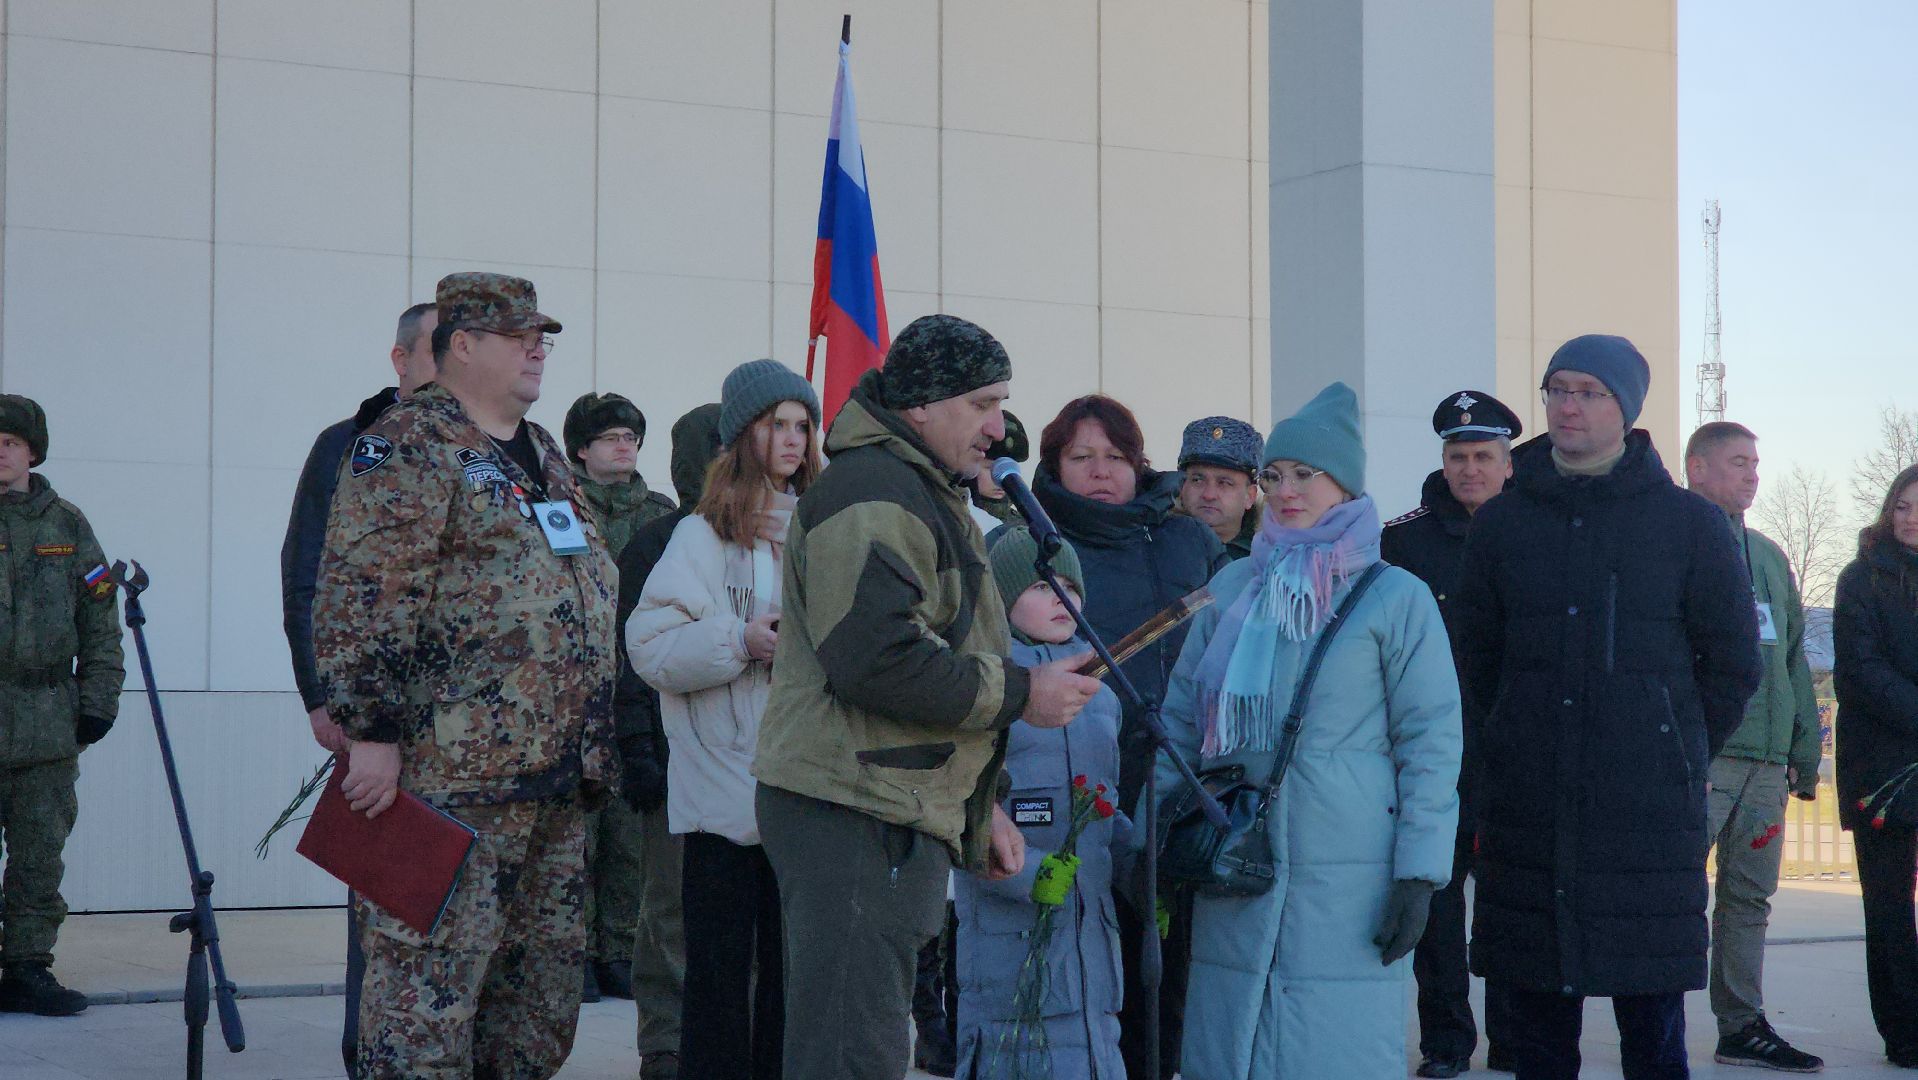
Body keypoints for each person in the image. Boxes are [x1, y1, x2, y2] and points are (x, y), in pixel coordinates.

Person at [753, 313, 1104, 1080]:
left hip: (889, 803)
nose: (998, 425)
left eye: (1002, 402)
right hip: (852, 807)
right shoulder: (875, 493)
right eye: (982, 403)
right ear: (920, 405)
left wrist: (982, 811)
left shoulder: (920, 488)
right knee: (850, 1051)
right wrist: (1023, 693)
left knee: (861, 1039)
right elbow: (876, 661)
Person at [314, 273, 620, 1078]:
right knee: (426, 1001)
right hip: (448, 781)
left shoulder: (543, 450)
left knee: (534, 1010)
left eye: (543, 336)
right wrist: (370, 734)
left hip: (553, 779)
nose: (537, 350)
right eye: (519, 335)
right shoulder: (404, 440)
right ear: (462, 344)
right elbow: (366, 591)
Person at [1452, 334, 1761, 1080]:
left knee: (1651, 1030)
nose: (1567, 406)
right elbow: (1476, 660)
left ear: (1625, 407)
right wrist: (1514, 733)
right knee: (1534, 1034)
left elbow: (1733, 664)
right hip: (1527, 805)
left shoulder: (1688, 525)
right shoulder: (1502, 522)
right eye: (1557, 389)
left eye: (1589, 391)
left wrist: (1668, 741)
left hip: (1644, 811)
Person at [1156, 381, 1462, 1078]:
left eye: (1305, 475)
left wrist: (1419, 873)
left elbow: (1432, 740)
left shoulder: (1395, 596)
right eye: (1275, 475)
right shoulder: (1232, 589)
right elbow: (1180, 720)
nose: (1286, 490)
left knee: (1332, 1045)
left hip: (1350, 871)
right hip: (1234, 859)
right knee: (1231, 1042)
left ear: (1345, 486)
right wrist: (1159, 825)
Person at [627, 360, 821, 1080]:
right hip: (721, 795)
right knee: (715, 981)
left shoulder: (824, 528)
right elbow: (648, 646)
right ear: (744, 434)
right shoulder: (701, 538)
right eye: (778, 423)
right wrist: (740, 640)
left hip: (804, 788)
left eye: (804, 425)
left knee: (791, 979)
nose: (794, 439)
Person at [1031, 393, 1227, 1080]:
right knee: (1070, 965)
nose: (1100, 471)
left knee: (1164, 973)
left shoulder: (1189, 542)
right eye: (1081, 457)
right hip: (1066, 786)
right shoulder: (1027, 546)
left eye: (1115, 457)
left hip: (1167, 784)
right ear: (1054, 464)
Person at [278, 299, 436, 1068]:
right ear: (401, 360)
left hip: (478, 735)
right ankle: (365, 1056)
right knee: (382, 908)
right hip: (375, 723)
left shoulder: (495, 453)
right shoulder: (350, 448)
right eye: (441, 348)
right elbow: (306, 576)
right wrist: (319, 696)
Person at [1382, 389, 1523, 1078]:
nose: (1470, 469)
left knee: (1509, 904)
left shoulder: (1537, 529)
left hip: (1515, 754)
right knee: (1438, 903)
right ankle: (1446, 1042)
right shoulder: (1403, 541)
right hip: (1435, 755)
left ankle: (1514, 1035)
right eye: (1458, 456)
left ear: (1508, 464)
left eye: (1484, 457)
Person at [954, 527, 1130, 1080]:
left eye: (1071, 586)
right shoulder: (988, 684)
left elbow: (1106, 800)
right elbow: (961, 800)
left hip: (1090, 927)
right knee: (1019, 1053)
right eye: (1040, 585)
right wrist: (1024, 873)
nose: (1062, 597)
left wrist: (1138, 854)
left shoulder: (1102, 690)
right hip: (1011, 927)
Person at [1682, 421, 1826, 1073]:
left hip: (1766, 765)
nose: (1753, 475)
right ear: (1698, 469)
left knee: (1749, 896)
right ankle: (1647, 1012)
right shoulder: (1674, 541)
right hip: (1704, 755)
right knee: (1675, 889)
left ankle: (1740, 1025)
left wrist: (1802, 751)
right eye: (1738, 462)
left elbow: (1791, 655)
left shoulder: (1768, 556)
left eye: (1756, 463)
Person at [0, 395, 124, 1018]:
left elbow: (102, 619)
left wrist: (98, 703)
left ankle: (26, 968)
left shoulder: (68, 526)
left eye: (11, 443)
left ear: (33, 452)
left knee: (38, 852)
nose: (0, 453)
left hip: (46, 716)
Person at [614, 402, 721, 1080]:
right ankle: (666, 1043)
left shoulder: (778, 535)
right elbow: (628, 661)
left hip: (753, 762)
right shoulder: (656, 543)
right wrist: (640, 757)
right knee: (671, 915)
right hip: (674, 762)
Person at [565, 390, 677, 1002]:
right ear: (582, 449)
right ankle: (576, 952)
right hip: (576, 687)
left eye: (631, 436)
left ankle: (620, 949)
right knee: (580, 829)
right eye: (610, 436)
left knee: (632, 830)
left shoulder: (660, 512)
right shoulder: (556, 509)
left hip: (637, 683)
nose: (624, 445)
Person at [1832, 463, 1918, 1070]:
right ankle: (1905, 1030)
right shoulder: (1863, 579)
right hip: (1884, 768)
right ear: (1889, 511)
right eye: (1904, 506)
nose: (1912, 518)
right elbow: (1860, 673)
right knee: (1888, 906)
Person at [1176, 415, 1262, 560]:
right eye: (1197, 480)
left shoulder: (1270, 562)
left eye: (1225, 483)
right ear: (1182, 486)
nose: (1209, 495)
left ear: (1250, 496)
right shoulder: (1153, 548)